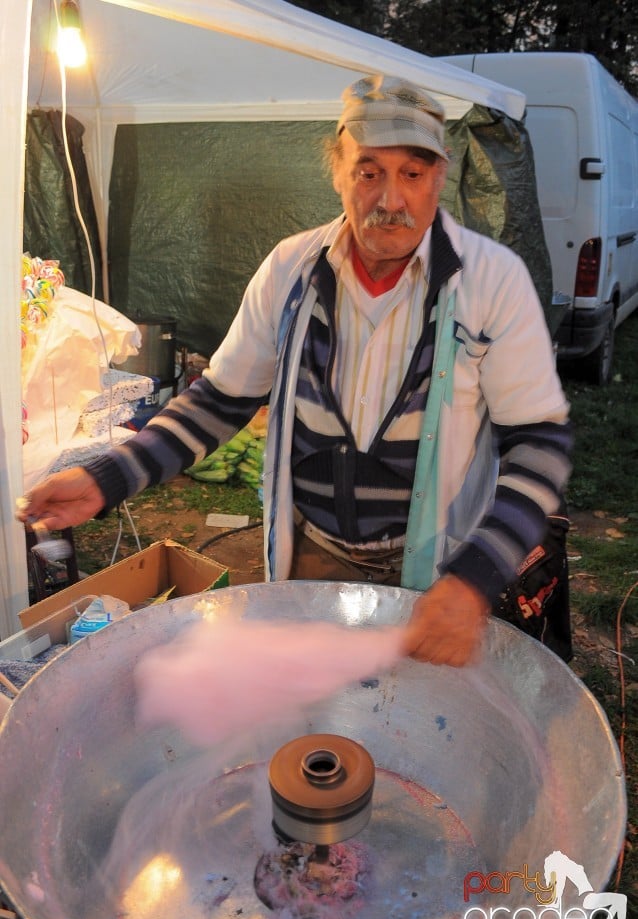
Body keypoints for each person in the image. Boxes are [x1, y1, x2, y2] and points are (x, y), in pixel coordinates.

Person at [17, 74, 572, 670]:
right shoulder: (291, 269)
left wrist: (473, 578)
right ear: (337, 171)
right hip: (314, 556)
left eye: (412, 174)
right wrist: (108, 477)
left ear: (439, 177)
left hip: (440, 568)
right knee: (321, 709)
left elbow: (539, 443)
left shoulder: (492, 281)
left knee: (417, 711)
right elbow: (221, 401)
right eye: (368, 172)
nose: (391, 199)